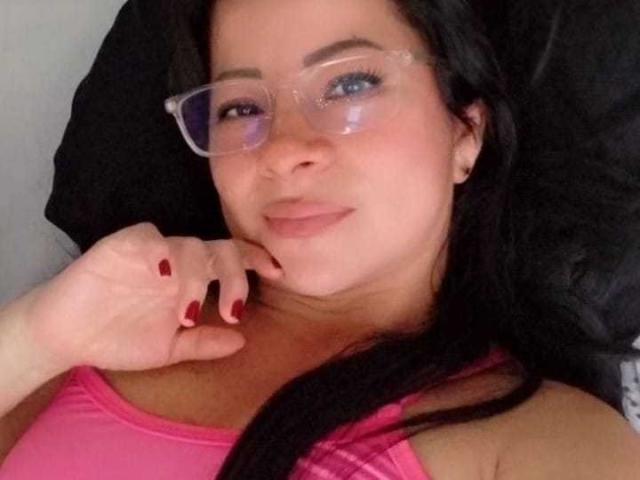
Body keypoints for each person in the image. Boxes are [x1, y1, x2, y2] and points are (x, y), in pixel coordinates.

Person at [1, 0, 639, 478]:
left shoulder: (545, 440)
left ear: (465, 132)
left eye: (350, 84)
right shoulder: (94, 336)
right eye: (240, 107)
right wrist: (37, 335)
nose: (284, 150)